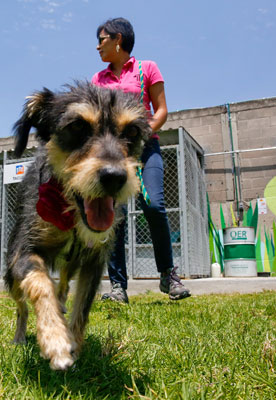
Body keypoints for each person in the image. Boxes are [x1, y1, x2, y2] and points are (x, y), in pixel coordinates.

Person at [91, 17, 190, 303]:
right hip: (113, 155)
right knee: (114, 217)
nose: (97, 46)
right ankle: (118, 286)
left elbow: (160, 110)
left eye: (101, 39)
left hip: (146, 149)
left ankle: (168, 276)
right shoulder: (98, 80)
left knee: (154, 205)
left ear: (118, 39)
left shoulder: (147, 69)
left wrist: (142, 137)